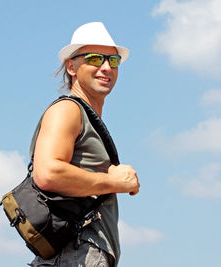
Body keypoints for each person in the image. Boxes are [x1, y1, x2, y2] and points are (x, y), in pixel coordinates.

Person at [29, 22, 140, 267]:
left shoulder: (86, 117)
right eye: (94, 58)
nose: (105, 67)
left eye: (112, 61)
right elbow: (48, 172)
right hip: (79, 252)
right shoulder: (68, 110)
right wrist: (114, 182)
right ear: (72, 66)